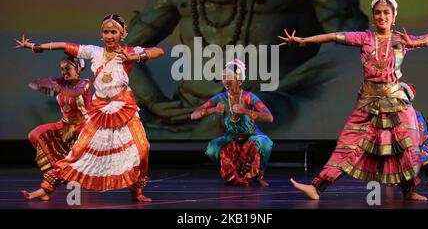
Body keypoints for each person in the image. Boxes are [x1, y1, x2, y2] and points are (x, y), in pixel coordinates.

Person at [125, 0, 368, 137]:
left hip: (271, 106)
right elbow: (124, 51)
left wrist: (291, 93)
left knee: (232, 120)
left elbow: (351, 50)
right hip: (187, 111)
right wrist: (154, 103)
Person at [279, 0, 428, 201]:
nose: (382, 16)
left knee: (408, 146)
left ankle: (409, 190)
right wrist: (303, 41)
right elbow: (333, 36)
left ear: (394, 17)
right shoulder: (365, 38)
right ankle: (317, 188)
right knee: (346, 145)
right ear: (373, 17)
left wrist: (419, 42)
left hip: (397, 101)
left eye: (386, 13)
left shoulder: (401, 39)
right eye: (378, 13)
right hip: (368, 102)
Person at [15, 14, 164, 202]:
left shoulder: (129, 52)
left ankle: (136, 191)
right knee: (77, 153)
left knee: (142, 149)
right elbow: (65, 45)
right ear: (101, 34)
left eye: (113, 32)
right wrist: (36, 47)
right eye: (105, 32)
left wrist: (135, 56)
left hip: (125, 107)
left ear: (122, 33)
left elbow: (159, 51)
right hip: (100, 110)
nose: (109, 36)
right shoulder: (94, 52)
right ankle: (46, 189)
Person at [191, 59, 273, 186]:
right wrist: (213, 109)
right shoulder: (220, 98)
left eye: (229, 77)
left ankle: (257, 176)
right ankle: (234, 177)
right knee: (213, 147)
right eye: (223, 77)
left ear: (239, 80)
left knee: (265, 143)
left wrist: (245, 111)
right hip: (231, 136)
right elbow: (194, 115)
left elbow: (269, 117)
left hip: (251, 135)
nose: (226, 80)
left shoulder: (249, 97)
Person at [25, 56, 91, 200]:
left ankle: (46, 189)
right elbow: (33, 84)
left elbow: (75, 93)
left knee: (72, 160)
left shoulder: (84, 83)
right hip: (64, 125)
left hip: (82, 128)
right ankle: (52, 177)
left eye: (67, 68)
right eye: (62, 69)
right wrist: (43, 84)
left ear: (78, 69)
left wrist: (57, 87)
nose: (64, 72)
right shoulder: (61, 82)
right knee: (35, 134)